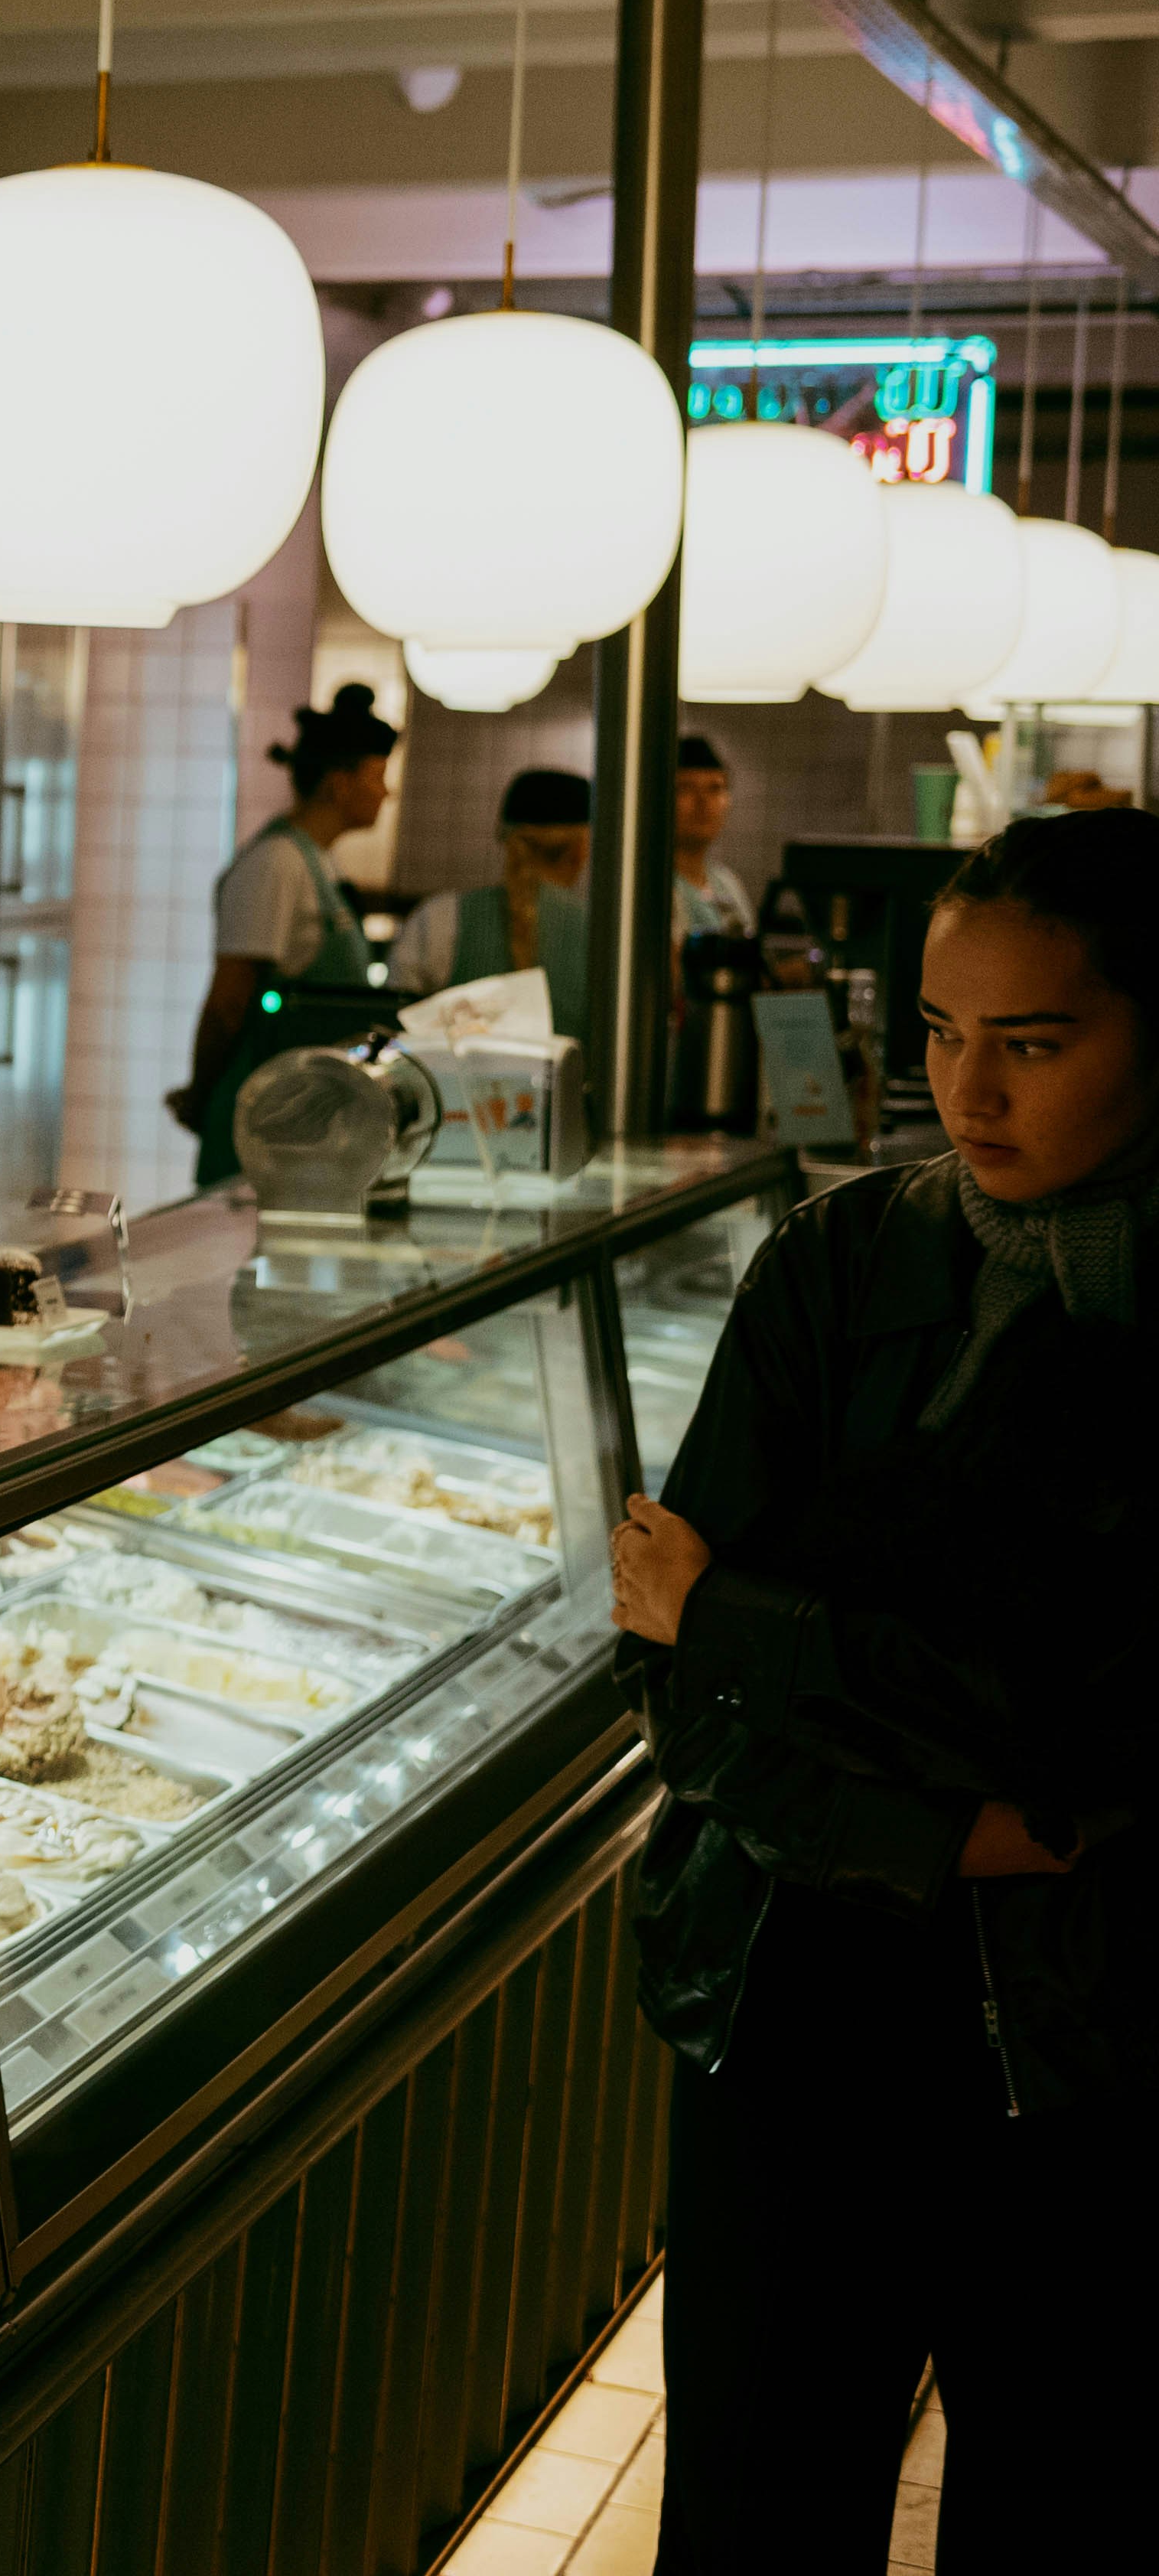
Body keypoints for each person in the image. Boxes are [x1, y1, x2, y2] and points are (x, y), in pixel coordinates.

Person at [607, 807, 1153, 2568]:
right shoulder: (836, 1269)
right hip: (782, 2021)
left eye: (1030, 1042)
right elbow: (667, 1688)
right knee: (754, 2516)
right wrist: (973, 1819)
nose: (963, 1094)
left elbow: (1102, 1748)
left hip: (1090, 2055)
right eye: (933, 1033)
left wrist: (754, 1632)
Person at [171, 684, 398, 1158]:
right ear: (340, 783)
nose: (386, 791)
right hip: (267, 1107)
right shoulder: (276, 864)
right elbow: (229, 1000)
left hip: (306, 1110)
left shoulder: (319, 863)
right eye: (378, 776)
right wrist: (201, 1096)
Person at [387, 765, 595, 1036]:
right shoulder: (601, 932)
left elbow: (395, 1016)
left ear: (506, 839)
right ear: (580, 849)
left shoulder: (440, 917)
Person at [673, 731, 757, 942]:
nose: (702, 802)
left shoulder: (727, 883)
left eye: (715, 789)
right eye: (686, 788)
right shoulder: (651, 887)